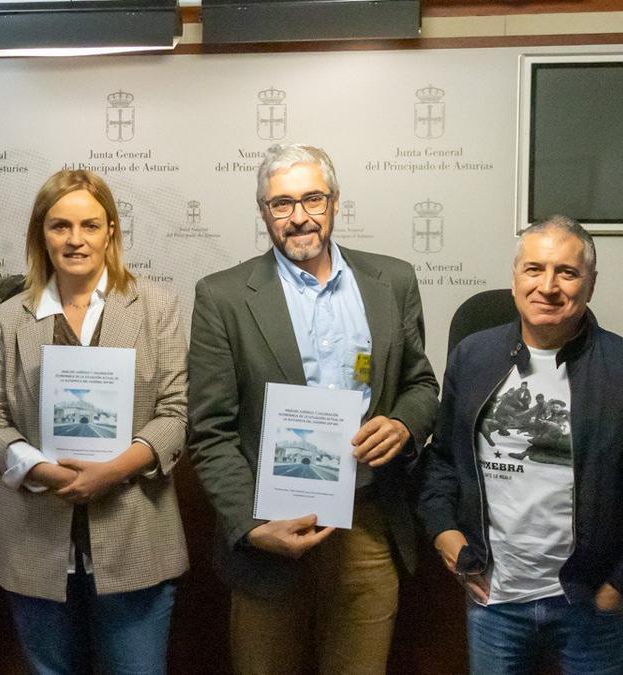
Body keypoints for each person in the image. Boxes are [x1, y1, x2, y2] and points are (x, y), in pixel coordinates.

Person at [188, 143, 439, 674]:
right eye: (281, 204)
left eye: (312, 199)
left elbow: (421, 385)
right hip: (270, 534)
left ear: (335, 203)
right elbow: (210, 430)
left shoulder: (392, 282)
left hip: (369, 526)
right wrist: (252, 526)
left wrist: (402, 424)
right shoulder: (223, 297)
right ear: (264, 213)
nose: (298, 216)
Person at [418, 216, 623, 674]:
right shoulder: (473, 357)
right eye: (534, 269)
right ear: (514, 280)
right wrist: (444, 535)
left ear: (589, 285)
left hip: (590, 605)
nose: (547, 286)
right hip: (495, 603)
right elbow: (443, 462)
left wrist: (621, 583)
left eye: (566, 273)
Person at [0, 169, 189, 674]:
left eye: (90, 225)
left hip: (135, 533)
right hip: (34, 539)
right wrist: (39, 469)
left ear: (111, 230)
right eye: (60, 226)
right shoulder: (10, 316)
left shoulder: (156, 307)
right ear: (40, 234)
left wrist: (111, 471)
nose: (75, 240)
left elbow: (176, 414)